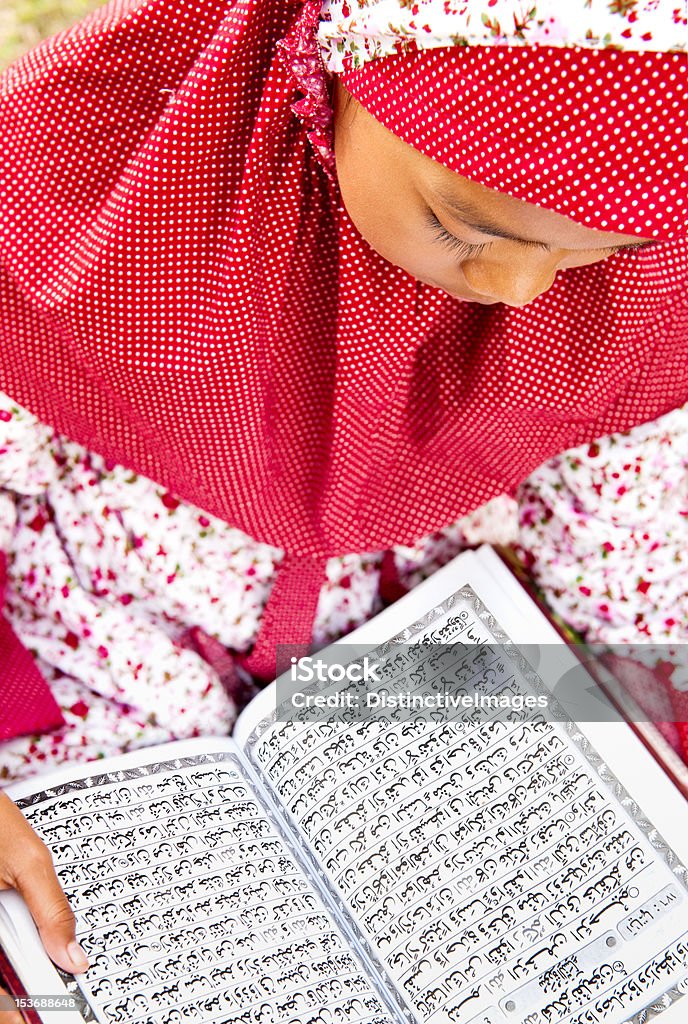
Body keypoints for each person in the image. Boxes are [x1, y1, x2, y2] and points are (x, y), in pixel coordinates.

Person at [0, 0, 685, 1001]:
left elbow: (630, 547)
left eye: (600, 253)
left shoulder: (625, 283)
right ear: (339, 64)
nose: (519, 289)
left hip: (424, 693)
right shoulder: (90, 198)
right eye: (462, 225)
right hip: (103, 671)